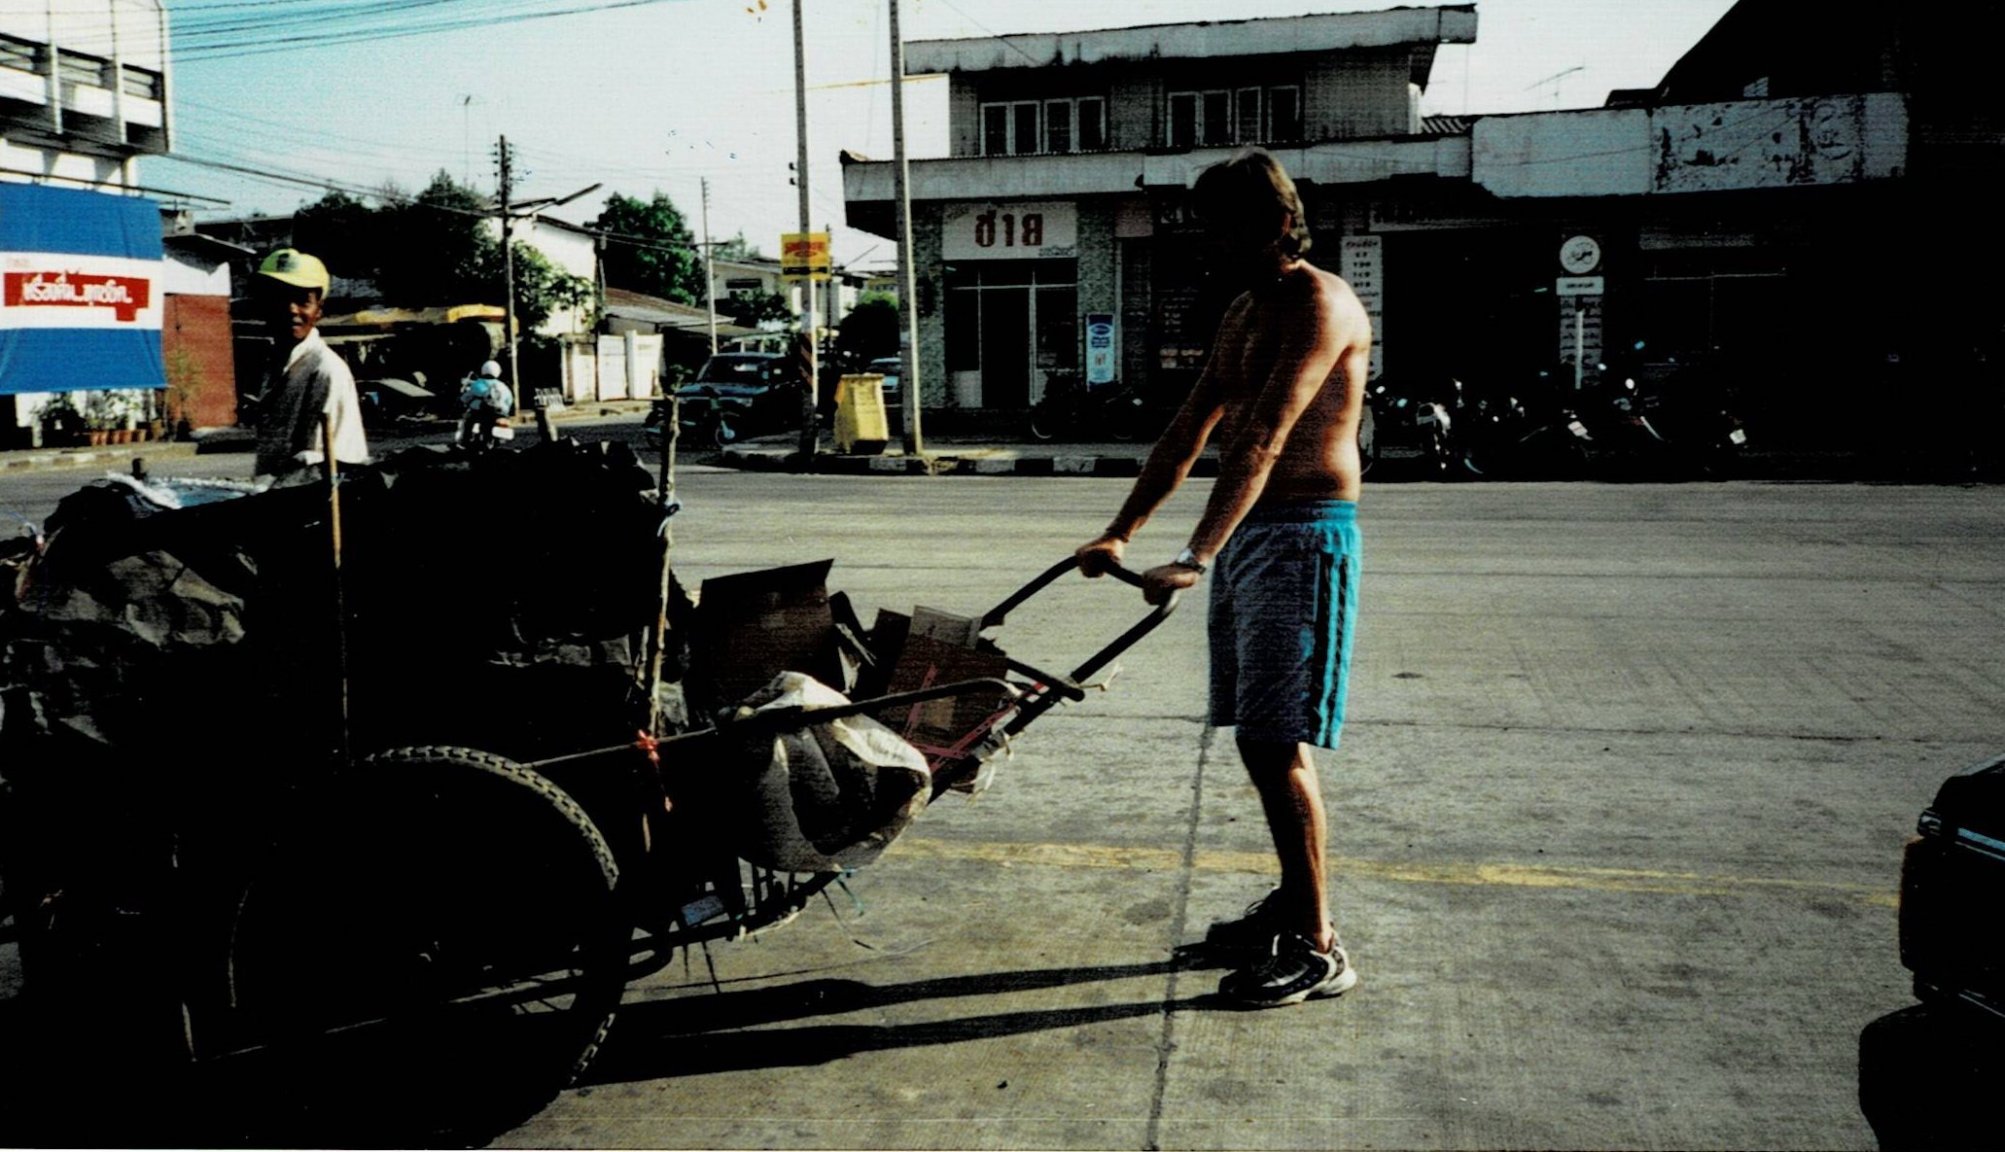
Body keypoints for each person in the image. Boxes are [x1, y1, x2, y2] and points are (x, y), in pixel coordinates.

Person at [1073, 147, 1372, 1009]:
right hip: (1250, 537)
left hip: (1304, 534)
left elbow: (1266, 437)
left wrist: (1195, 554)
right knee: (1255, 734)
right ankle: (1291, 902)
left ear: (1278, 222)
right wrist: (1120, 531)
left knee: (1275, 744)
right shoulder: (1244, 307)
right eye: (1200, 229)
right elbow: (1187, 431)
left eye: (1223, 228)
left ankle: (1318, 947)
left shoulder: (1319, 302)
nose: (1206, 245)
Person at [248, 248, 369, 484]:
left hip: (314, 504)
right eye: (279, 298)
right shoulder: (276, 364)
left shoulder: (325, 370)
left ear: (319, 310)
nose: (291, 309)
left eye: (303, 301)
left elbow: (314, 466)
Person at [458, 358, 515, 449]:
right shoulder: (503, 386)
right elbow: (510, 401)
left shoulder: (476, 384)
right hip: (499, 413)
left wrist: (462, 402)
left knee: (468, 422)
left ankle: (465, 441)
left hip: (480, 413)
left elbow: (466, 398)